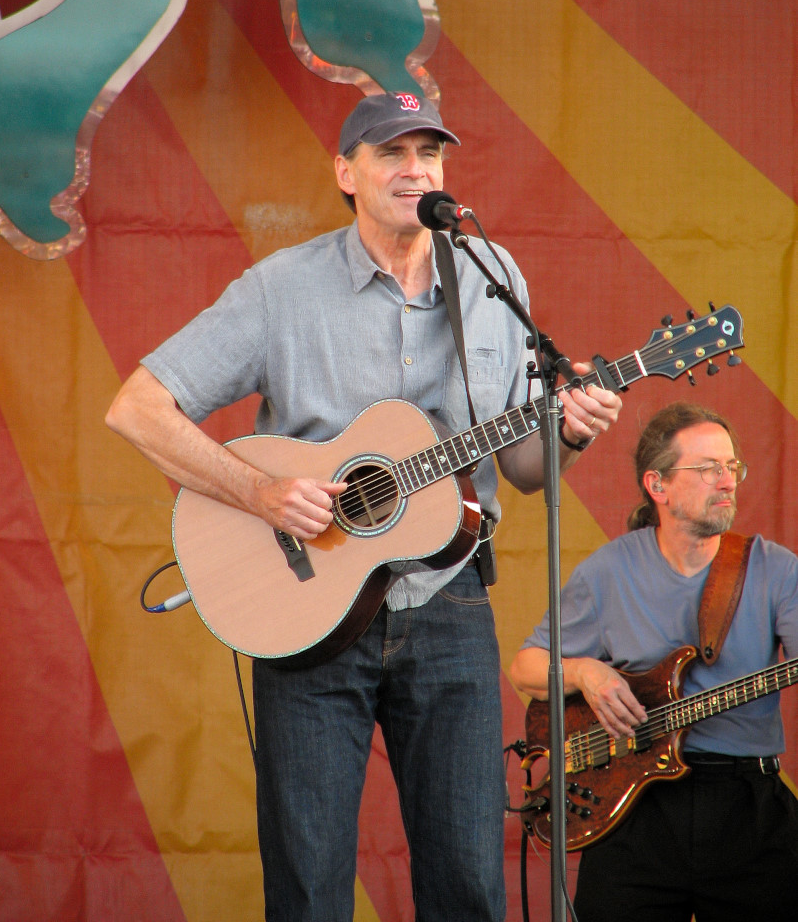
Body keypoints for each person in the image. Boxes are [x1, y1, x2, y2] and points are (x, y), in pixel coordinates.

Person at [106, 90, 622, 922]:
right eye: (392, 153)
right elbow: (136, 407)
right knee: (309, 885)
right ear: (346, 172)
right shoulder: (282, 289)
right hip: (307, 611)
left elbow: (524, 467)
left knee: (466, 880)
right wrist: (262, 492)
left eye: (431, 153)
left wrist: (572, 430)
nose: (416, 169)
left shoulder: (494, 280)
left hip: (450, 606)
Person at [511, 401, 798, 922]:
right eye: (708, 468)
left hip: (747, 808)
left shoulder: (776, 569)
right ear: (657, 485)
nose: (727, 480)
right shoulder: (609, 570)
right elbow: (525, 666)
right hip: (633, 813)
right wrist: (585, 672)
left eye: (732, 466)